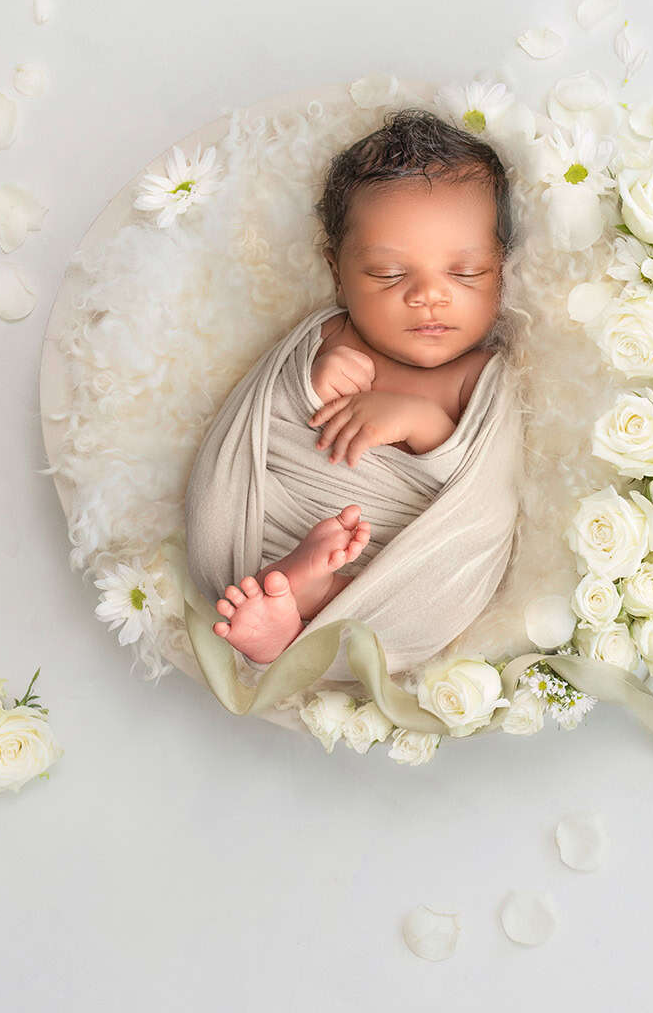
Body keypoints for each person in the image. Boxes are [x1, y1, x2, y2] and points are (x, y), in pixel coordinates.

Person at [204, 107, 518, 665]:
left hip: (394, 554)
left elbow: (478, 482)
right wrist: (313, 380)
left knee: (412, 602)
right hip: (276, 517)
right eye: (388, 274)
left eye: (465, 273)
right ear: (337, 271)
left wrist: (418, 419)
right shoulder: (332, 333)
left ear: (501, 271)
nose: (428, 296)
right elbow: (274, 414)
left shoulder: (478, 373)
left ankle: (303, 601)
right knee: (255, 568)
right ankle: (288, 594)